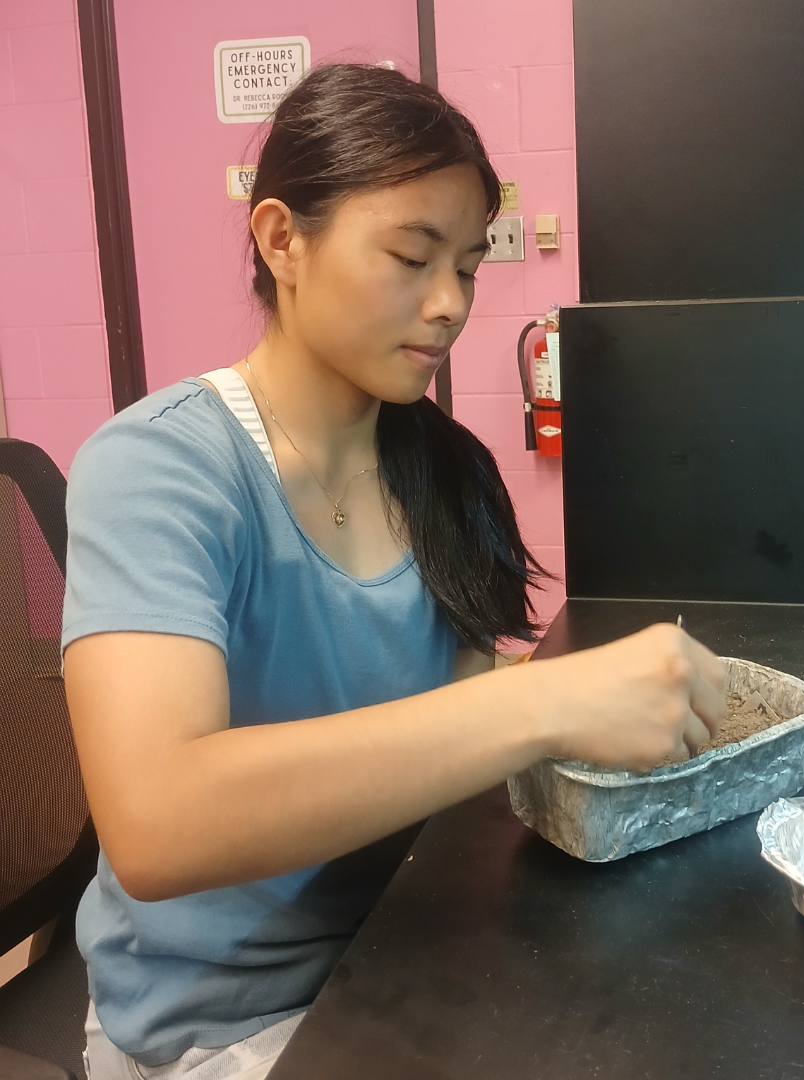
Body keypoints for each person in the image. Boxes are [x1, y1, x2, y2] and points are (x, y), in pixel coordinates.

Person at [63, 64, 729, 1080]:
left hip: (415, 945)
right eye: (412, 257)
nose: (451, 304)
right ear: (282, 239)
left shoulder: (444, 471)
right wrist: (541, 702)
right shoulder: (159, 468)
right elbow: (156, 822)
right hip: (231, 1021)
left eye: (466, 265)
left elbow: (454, 731)